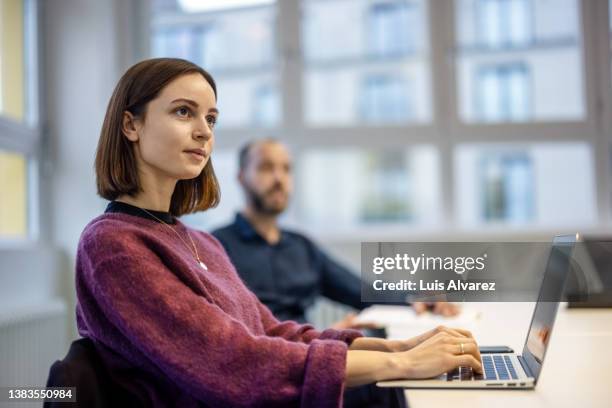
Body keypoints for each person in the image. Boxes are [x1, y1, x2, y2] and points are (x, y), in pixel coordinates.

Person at [75, 57, 482, 407]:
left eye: (211, 118)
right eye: (184, 111)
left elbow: (272, 331)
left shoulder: (199, 241)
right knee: (397, 388)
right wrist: (402, 364)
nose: (204, 131)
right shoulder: (113, 244)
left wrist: (395, 347)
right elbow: (229, 360)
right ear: (131, 124)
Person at [212, 139, 459, 328]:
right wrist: (324, 339)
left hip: (311, 361)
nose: (279, 178)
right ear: (242, 177)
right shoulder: (216, 248)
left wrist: (415, 299)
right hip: (267, 370)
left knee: (394, 386)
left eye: (286, 169)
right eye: (266, 167)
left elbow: (361, 291)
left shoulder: (302, 247)